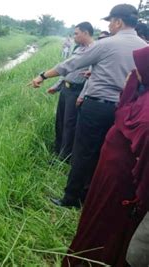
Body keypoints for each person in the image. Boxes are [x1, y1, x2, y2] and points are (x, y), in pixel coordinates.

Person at [30, 4, 147, 208]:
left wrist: (42, 76)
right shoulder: (143, 47)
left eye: (111, 21)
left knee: (83, 151)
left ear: (118, 21)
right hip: (124, 110)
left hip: (97, 107)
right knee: (104, 153)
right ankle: (90, 196)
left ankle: (71, 198)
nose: (109, 26)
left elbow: (71, 64)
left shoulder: (107, 44)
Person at [63, 46, 149, 267]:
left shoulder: (146, 115)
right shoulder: (140, 98)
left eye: (138, 67)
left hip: (122, 190)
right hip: (108, 180)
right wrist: (133, 81)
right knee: (95, 222)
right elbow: (123, 105)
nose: (132, 71)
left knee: (106, 231)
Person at [47, 22, 94, 161]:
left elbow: (92, 77)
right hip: (66, 90)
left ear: (85, 33)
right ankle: (58, 150)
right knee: (60, 121)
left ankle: (64, 157)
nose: (74, 36)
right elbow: (67, 69)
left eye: (76, 33)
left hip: (76, 92)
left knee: (70, 124)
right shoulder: (78, 48)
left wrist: (82, 95)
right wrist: (57, 85)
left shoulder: (95, 50)